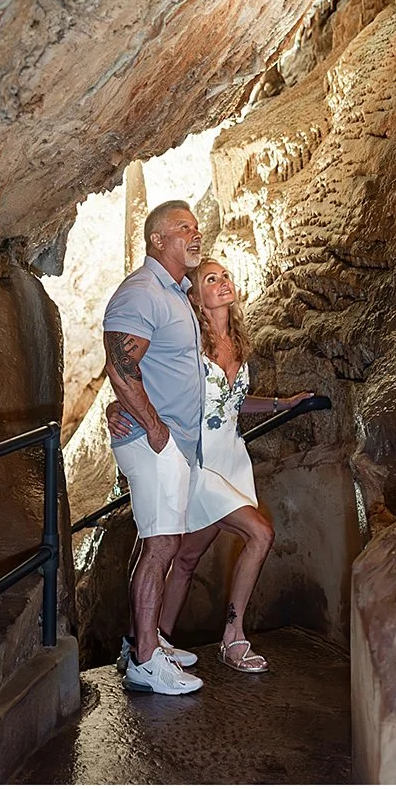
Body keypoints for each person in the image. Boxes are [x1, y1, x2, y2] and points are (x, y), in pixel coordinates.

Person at [110, 259, 312, 673]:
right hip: (196, 460)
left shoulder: (237, 341)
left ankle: (151, 642)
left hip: (231, 460)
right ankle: (233, 639)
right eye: (211, 279)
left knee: (185, 559)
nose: (223, 283)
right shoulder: (190, 344)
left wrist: (281, 404)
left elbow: (233, 404)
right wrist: (118, 405)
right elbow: (139, 373)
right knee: (260, 533)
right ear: (195, 296)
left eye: (225, 276)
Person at [101, 200, 208, 695]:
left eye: (196, 226)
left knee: (159, 543)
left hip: (170, 443)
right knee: (162, 544)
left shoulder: (175, 294)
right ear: (157, 240)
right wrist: (155, 429)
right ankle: (145, 659)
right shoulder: (142, 293)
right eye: (183, 227)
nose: (195, 233)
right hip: (153, 442)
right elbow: (122, 369)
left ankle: (148, 642)